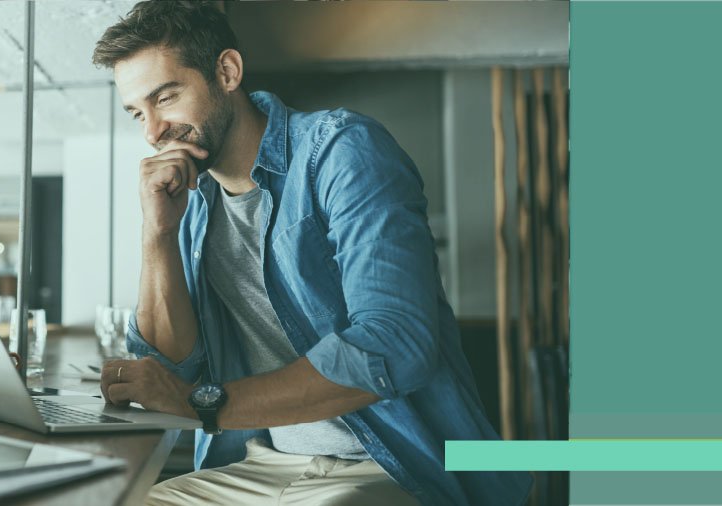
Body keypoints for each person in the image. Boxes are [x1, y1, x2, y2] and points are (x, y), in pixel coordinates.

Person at [92, 2, 533, 505]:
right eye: (137, 113)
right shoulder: (192, 201)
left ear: (227, 71)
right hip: (256, 463)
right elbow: (170, 369)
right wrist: (157, 233)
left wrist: (207, 405)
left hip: (388, 465)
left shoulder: (343, 150)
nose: (152, 131)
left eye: (166, 97)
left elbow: (395, 343)